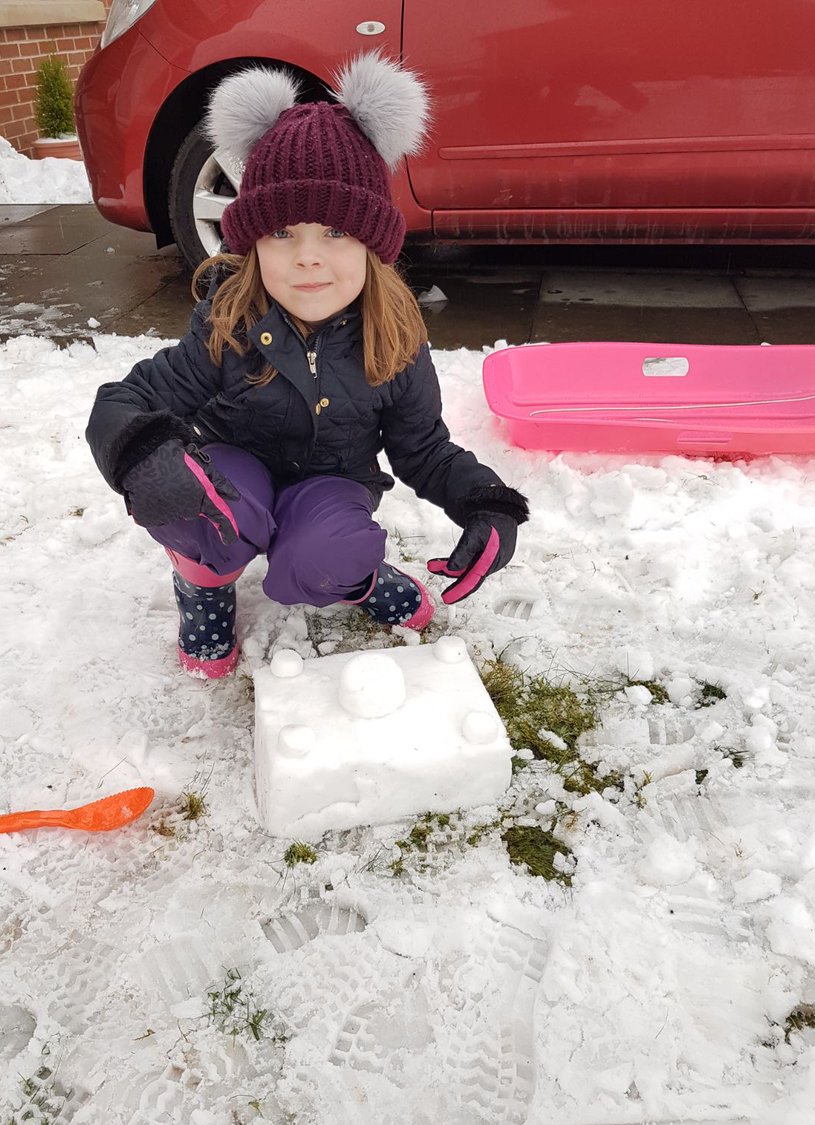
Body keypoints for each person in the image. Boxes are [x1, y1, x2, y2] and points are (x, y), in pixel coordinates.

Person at [86, 52, 529, 678]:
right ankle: (204, 583)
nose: (308, 259)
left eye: (336, 233)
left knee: (327, 549)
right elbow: (127, 400)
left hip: (331, 485)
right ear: (253, 243)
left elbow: (423, 448)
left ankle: (355, 577)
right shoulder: (230, 321)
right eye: (283, 234)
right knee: (202, 507)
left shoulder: (395, 337)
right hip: (235, 481)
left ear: (373, 243)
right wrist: (142, 455)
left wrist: (487, 502)